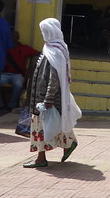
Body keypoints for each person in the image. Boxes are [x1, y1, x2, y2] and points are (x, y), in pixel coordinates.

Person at [23, 18, 81, 168]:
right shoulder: (50, 48)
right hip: (41, 97)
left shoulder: (55, 51)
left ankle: (41, 158)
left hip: (46, 99)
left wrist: (48, 100)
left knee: (41, 127)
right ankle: (69, 144)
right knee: (53, 124)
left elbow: (54, 79)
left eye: (45, 31)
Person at [2, 30, 39, 110]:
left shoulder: (23, 48)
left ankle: (11, 105)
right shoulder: (4, 48)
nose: (12, 39)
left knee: (18, 85)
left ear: (18, 38)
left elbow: (38, 53)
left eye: (14, 37)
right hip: (5, 74)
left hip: (17, 75)